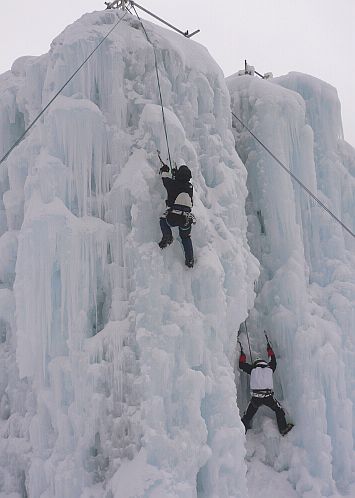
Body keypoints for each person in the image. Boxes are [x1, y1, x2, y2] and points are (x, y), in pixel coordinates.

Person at [239, 341, 292, 435]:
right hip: (268, 397)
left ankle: (242, 431)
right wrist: (269, 349)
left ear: (256, 363)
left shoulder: (253, 369)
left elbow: (241, 365)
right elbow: (273, 360)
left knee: (247, 415)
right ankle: (283, 429)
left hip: (256, 398)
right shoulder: (270, 368)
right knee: (279, 410)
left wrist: (243, 355)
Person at [158, 159, 195, 268]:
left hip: (172, 218)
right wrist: (176, 175)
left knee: (163, 221)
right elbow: (181, 184)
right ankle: (190, 260)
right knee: (185, 237)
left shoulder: (173, 184)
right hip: (186, 220)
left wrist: (166, 170)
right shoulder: (190, 188)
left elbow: (165, 178)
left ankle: (168, 236)